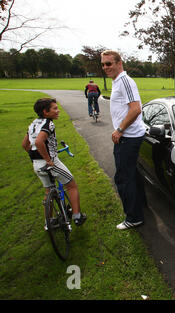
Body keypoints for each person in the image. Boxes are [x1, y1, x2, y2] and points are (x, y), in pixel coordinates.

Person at [21, 98, 87, 228]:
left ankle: (49, 221)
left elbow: (25, 145)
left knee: (48, 191)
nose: (58, 111)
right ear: (45, 112)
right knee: (71, 185)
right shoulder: (48, 124)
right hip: (51, 163)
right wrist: (48, 160)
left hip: (37, 164)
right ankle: (77, 216)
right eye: (55, 109)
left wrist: (35, 157)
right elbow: (40, 142)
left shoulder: (33, 124)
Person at [101, 50, 146, 230]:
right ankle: (141, 206)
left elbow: (135, 109)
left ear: (119, 63)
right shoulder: (117, 82)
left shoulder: (125, 81)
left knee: (123, 178)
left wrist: (119, 130)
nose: (105, 67)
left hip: (128, 137)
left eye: (109, 64)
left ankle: (134, 217)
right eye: (103, 64)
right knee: (132, 174)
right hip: (127, 135)